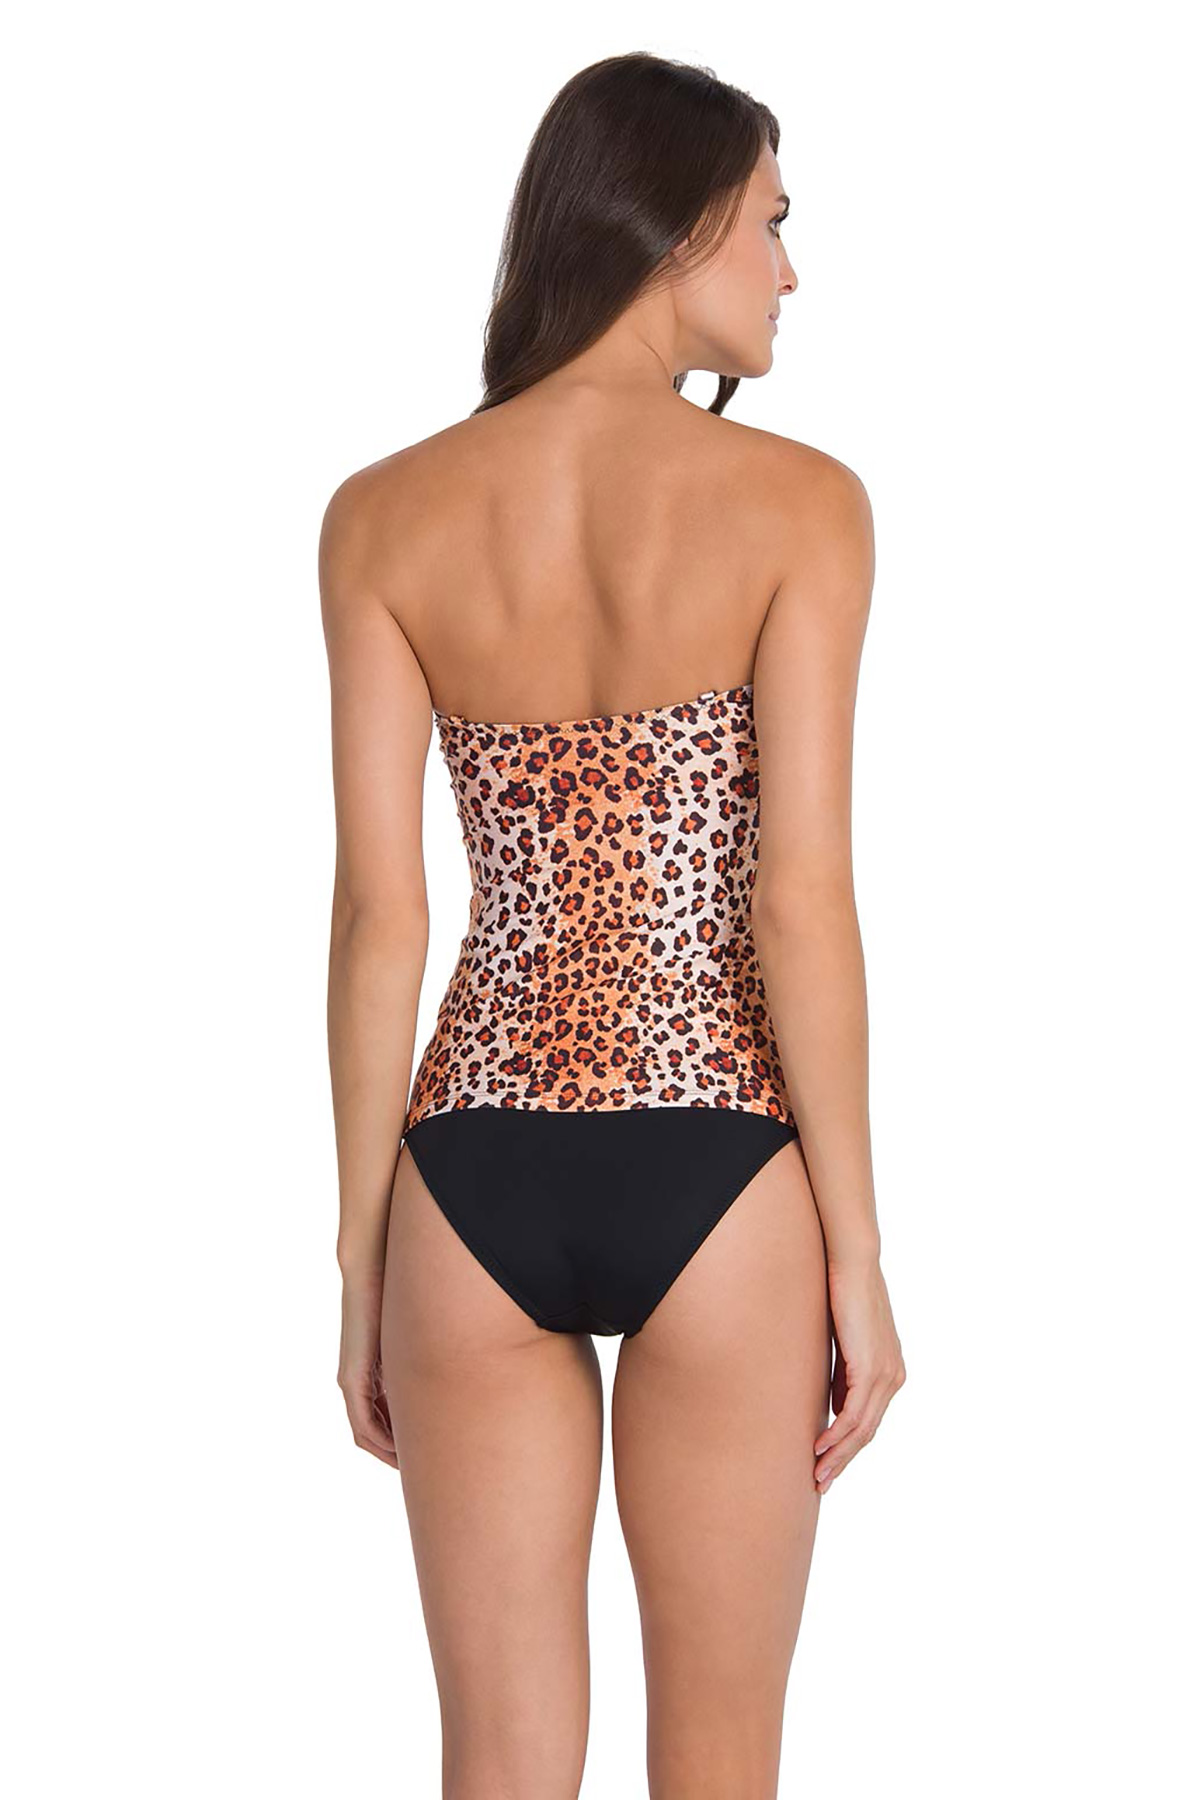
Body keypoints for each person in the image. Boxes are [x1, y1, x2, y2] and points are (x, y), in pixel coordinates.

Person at [321, 50, 905, 1800]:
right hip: (721, 1155)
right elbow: (799, 902)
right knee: (720, 1768)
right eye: (775, 224)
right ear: (683, 222)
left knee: (498, 1766)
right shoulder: (801, 504)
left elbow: (380, 916)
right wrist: (859, 1260)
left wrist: (362, 1261)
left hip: (467, 1166)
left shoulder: (383, 514)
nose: (792, 272)